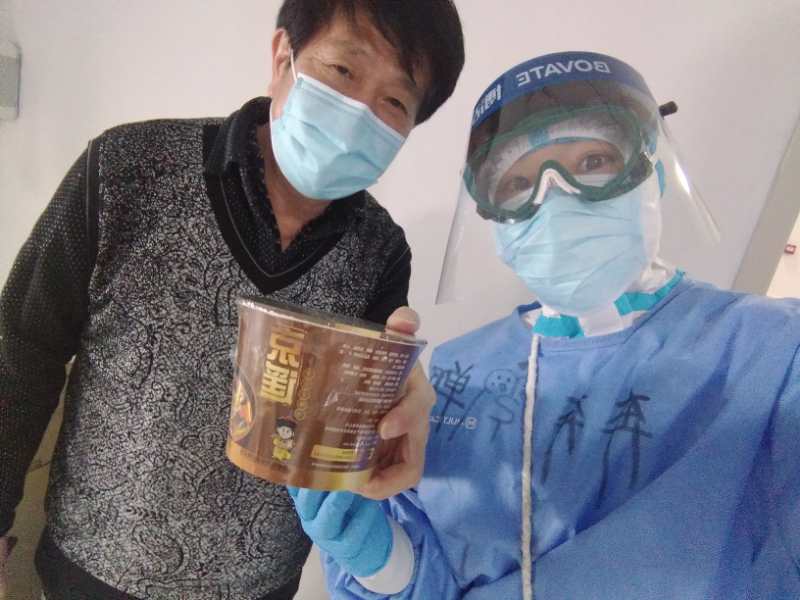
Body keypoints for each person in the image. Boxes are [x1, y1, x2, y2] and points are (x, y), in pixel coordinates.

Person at [290, 51, 800, 599]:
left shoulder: (774, 351)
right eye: (518, 182)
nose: (555, 197)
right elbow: (432, 580)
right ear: (495, 217)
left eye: (593, 161)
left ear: (650, 175)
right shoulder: (458, 370)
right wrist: (378, 559)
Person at [0, 1, 464, 598]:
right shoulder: (124, 169)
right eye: (343, 71)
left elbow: (353, 427)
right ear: (282, 58)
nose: (358, 114)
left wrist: (391, 417)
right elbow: (19, 350)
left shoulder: (380, 251)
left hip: (261, 584)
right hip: (89, 569)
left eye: (394, 101)